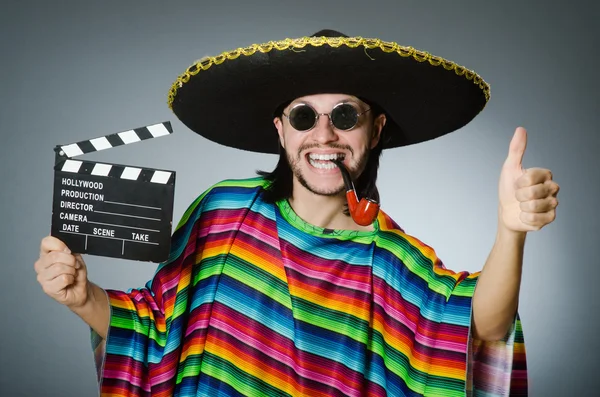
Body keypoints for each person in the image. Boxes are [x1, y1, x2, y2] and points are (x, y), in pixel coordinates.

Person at [35, 30, 558, 396]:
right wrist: (84, 298)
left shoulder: (393, 258)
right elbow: (152, 329)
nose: (324, 136)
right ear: (280, 130)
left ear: (374, 131)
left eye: (346, 117)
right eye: (304, 116)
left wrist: (511, 231)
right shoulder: (223, 212)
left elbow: (479, 327)